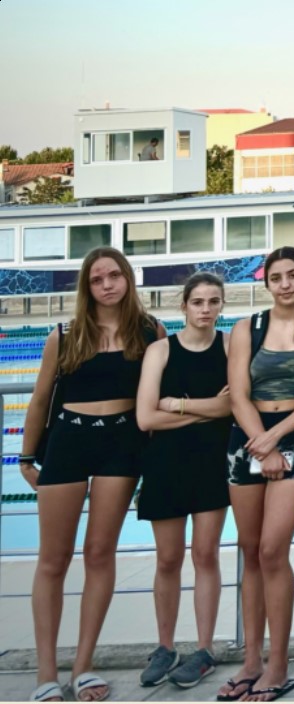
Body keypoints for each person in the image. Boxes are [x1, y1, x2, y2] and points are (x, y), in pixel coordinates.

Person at [20, 247, 163, 703]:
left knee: (100, 552)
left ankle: (83, 665)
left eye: (114, 275)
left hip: (121, 445)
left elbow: (160, 397)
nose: (107, 285)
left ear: (127, 279)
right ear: (87, 287)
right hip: (68, 441)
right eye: (97, 279)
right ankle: (46, 672)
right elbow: (40, 400)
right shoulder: (64, 336)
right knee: (53, 558)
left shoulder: (150, 332)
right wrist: (26, 459)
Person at [225, 247, 294, 702]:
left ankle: (278, 664)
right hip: (247, 437)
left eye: (293, 275)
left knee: (273, 549)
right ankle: (251, 662)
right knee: (251, 551)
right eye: (277, 277)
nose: (285, 284)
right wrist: (261, 440)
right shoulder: (246, 328)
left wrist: (276, 439)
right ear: (267, 282)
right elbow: (238, 394)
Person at [133, 273, 233, 692]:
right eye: (198, 302)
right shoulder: (160, 351)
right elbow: (145, 418)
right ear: (184, 306)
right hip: (165, 464)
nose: (205, 309)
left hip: (212, 463)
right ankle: (166, 647)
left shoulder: (229, 346)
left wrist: (176, 405)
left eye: (213, 301)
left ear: (222, 305)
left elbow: (233, 407)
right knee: (168, 558)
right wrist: (207, 410)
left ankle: (204, 649)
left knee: (206, 554)